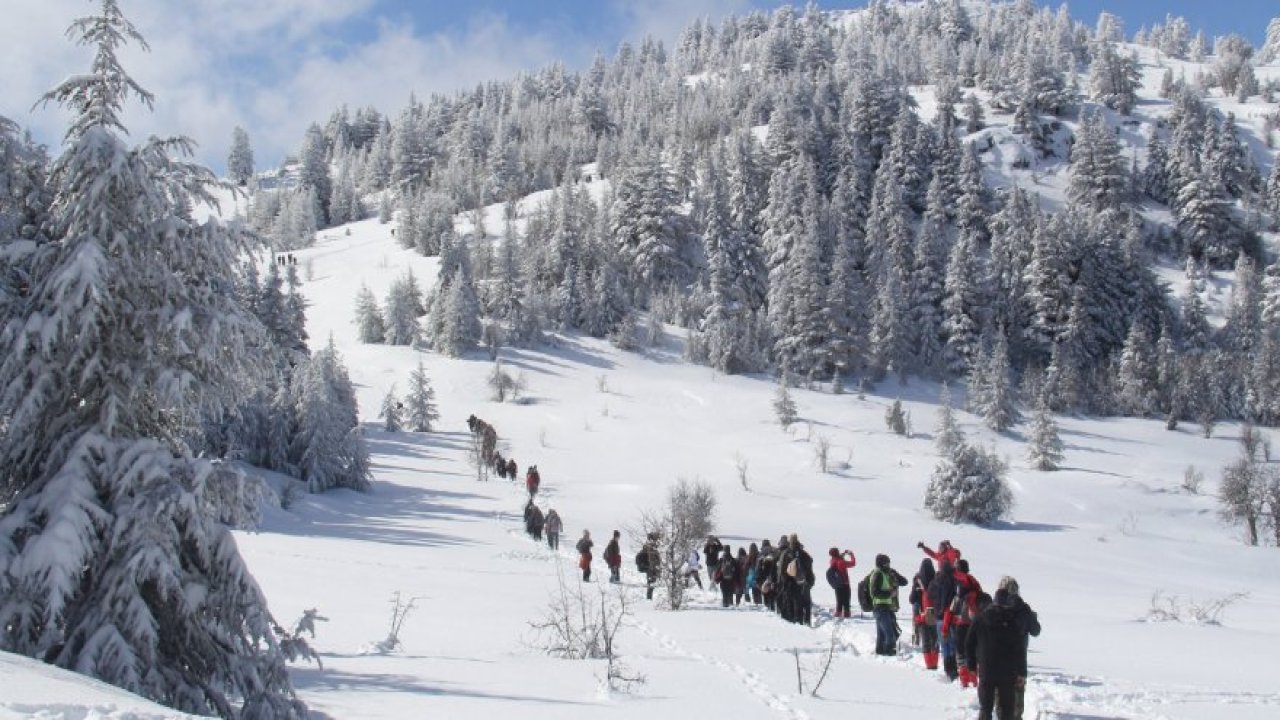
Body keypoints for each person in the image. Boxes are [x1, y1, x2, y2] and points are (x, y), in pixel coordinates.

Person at [965, 588, 1027, 720]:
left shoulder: (980, 618)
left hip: (986, 669)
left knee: (985, 708)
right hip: (1008, 671)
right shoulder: (1013, 621)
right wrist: (1022, 672)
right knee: (1007, 709)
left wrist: (971, 665)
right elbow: (1020, 649)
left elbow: (969, 643)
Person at [998, 576, 1041, 720]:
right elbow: (1036, 631)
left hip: (998, 662)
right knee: (1017, 701)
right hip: (1019, 662)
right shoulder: (1024, 608)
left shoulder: (995, 608)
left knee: (1001, 701)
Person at [952, 558, 984, 688]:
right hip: (975, 622)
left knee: (961, 652)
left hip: (962, 623)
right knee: (973, 652)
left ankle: (964, 681)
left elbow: (953, 607)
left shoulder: (960, 581)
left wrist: (945, 626)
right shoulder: (974, 582)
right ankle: (974, 680)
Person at [868, 553, 908, 655]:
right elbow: (874, 592)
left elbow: (904, 582)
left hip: (886, 607)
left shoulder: (887, 573)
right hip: (880, 608)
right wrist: (890, 593)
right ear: (881, 564)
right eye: (886, 563)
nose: (888, 565)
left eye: (889, 563)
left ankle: (880, 654)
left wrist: (894, 575)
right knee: (890, 636)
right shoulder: (877, 574)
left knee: (882, 635)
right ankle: (889, 655)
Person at [929, 561, 960, 680]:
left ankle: (948, 670)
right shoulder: (952, 581)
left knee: (945, 645)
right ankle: (954, 671)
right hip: (950, 616)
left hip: (938, 617)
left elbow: (929, 595)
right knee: (952, 644)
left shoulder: (935, 581)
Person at [909, 558, 939, 670]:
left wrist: (916, 589)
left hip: (921, 613)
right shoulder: (936, 579)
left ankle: (929, 665)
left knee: (926, 640)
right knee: (934, 639)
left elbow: (912, 599)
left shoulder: (918, 580)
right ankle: (934, 664)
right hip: (933, 612)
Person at [827, 547, 857, 618]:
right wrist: (851, 554)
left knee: (839, 600)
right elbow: (853, 563)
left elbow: (838, 557)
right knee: (846, 601)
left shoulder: (832, 561)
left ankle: (838, 613)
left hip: (837, 584)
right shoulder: (841, 562)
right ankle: (846, 614)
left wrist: (843, 554)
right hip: (845, 583)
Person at [639, 533, 661, 600]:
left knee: (651, 583)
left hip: (649, 567)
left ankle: (649, 598)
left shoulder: (646, 546)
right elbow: (653, 559)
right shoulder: (651, 547)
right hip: (651, 568)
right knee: (651, 583)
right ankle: (649, 599)